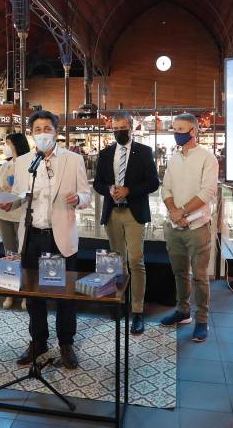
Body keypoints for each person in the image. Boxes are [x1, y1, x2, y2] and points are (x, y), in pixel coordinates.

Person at [0, 110, 91, 369]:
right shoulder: (25, 160)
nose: (42, 133)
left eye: (47, 128)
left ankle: (66, 343)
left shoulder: (73, 160)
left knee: (65, 295)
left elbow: (86, 195)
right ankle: (38, 341)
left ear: (56, 132)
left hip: (60, 237)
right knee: (33, 293)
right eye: (37, 129)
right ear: (31, 132)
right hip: (31, 237)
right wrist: (9, 203)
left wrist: (78, 199)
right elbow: (20, 195)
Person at [93, 112, 159, 335]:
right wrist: (109, 190)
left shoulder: (144, 152)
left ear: (131, 127)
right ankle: (118, 302)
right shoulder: (105, 154)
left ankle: (137, 310)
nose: (119, 131)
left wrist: (129, 190)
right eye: (115, 128)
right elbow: (98, 183)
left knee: (136, 260)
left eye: (123, 127)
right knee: (116, 261)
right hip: (112, 212)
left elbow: (153, 182)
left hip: (134, 212)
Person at [159, 113, 218, 342]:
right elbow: (166, 189)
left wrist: (181, 211)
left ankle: (202, 320)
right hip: (175, 226)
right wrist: (174, 212)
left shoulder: (207, 157)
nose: (176, 133)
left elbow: (207, 192)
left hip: (198, 226)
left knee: (200, 276)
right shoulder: (174, 158)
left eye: (180, 129)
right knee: (179, 272)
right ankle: (183, 310)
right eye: (174, 129)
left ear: (193, 131)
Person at [0, 133, 30, 310]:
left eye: (7, 143)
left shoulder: (29, 164)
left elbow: (28, 190)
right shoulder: (6, 165)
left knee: (24, 253)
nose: (5, 146)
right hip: (4, 216)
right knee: (9, 253)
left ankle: (26, 293)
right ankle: (10, 289)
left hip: (22, 215)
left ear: (16, 144)